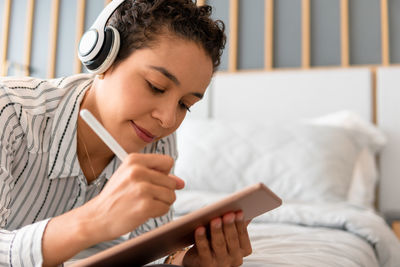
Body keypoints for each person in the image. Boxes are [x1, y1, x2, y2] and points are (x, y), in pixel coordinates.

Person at [0, 0, 252, 266]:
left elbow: (152, 246)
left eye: (184, 105)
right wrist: (92, 221)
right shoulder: (11, 112)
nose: (167, 120)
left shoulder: (155, 137)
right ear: (103, 59)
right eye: (156, 86)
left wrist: (184, 262)